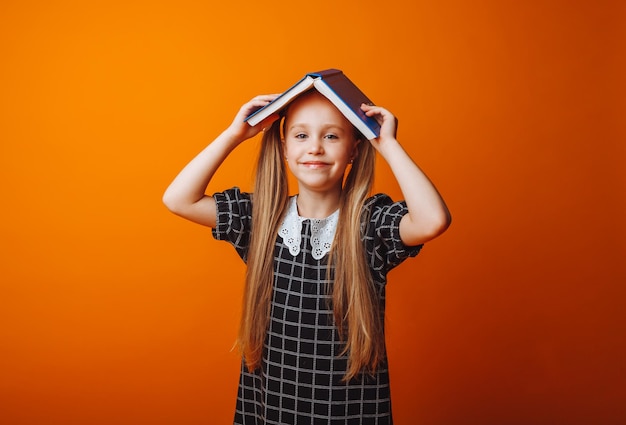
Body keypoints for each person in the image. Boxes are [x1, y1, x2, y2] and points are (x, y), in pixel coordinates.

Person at [163, 86, 451, 424]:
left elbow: (433, 220)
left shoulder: (369, 222)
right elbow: (178, 199)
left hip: (351, 411)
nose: (315, 147)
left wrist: (386, 143)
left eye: (331, 136)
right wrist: (234, 134)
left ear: (354, 149)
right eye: (301, 135)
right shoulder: (261, 218)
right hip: (271, 409)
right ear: (285, 149)